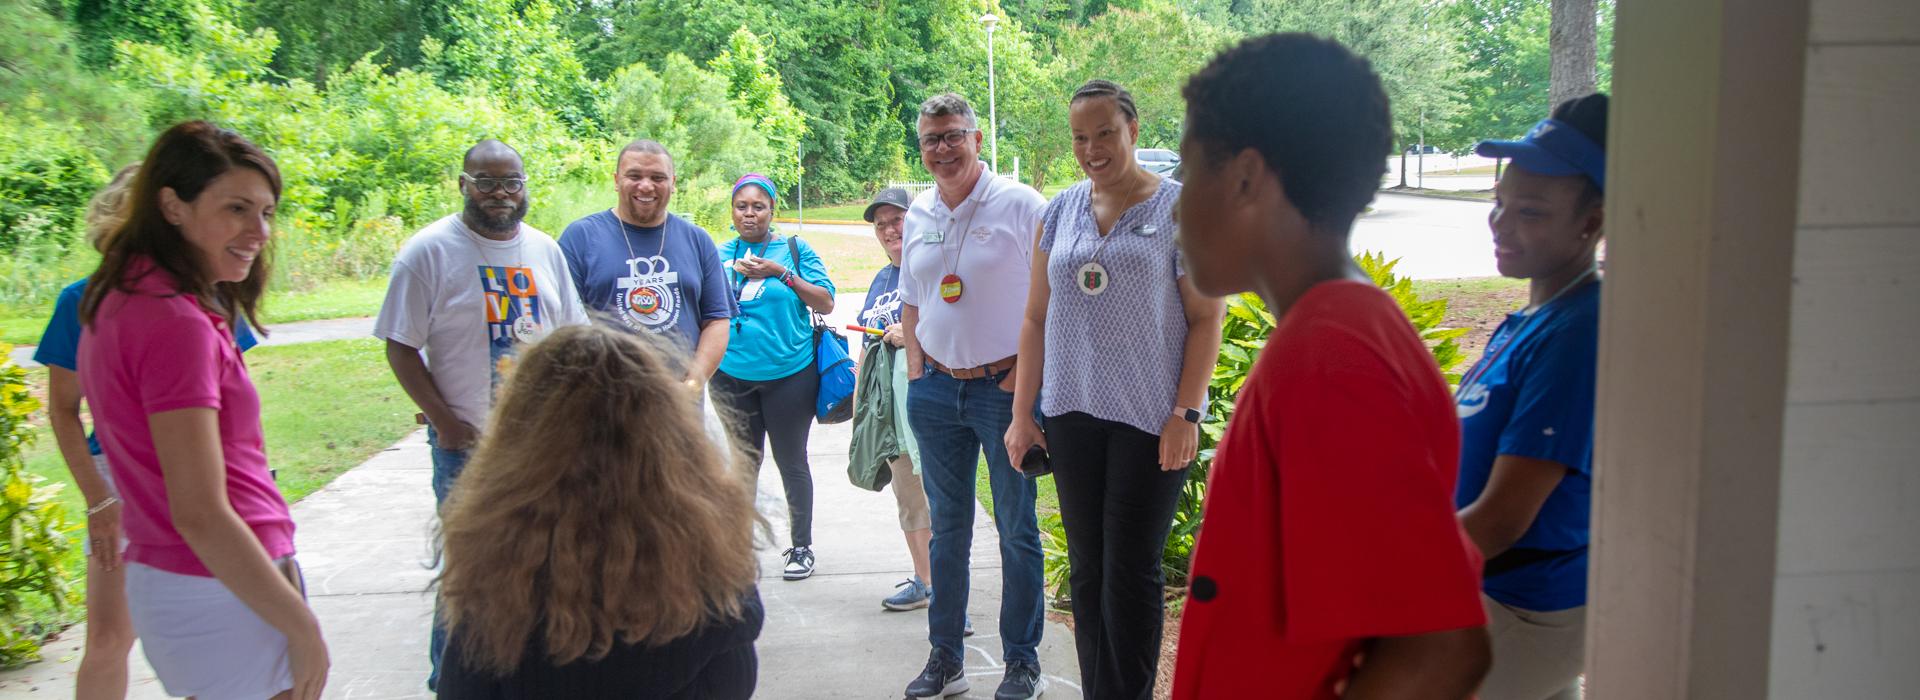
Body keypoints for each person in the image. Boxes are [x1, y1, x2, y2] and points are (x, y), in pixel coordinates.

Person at [1166, 34, 1491, 699]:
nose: (1175, 203)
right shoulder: (1342, 330)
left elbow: (1441, 650)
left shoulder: (1331, 359)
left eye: (1187, 169)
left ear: (1246, 177)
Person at [76, 120, 328, 700]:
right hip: (219, 584)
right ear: (172, 205)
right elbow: (199, 512)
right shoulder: (171, 320)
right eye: (236, 209)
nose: (258, 230)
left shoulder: (127, 296)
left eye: (266, 212)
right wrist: (301, 624)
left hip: (197, 579)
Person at [1003, 79, 1225, 700]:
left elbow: (1208, 318)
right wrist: (1024, 415)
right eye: (1079, 136)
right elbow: (1035, 318)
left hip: (1151, 419)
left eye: (1104, 132)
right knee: (1088, 570)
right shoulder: (1059, 211)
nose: (1092, 147)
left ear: (1132, 127)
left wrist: (1187, 411)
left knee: (1130, 571)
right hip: (1073, 413)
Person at [434, 323, 765, 699]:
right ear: (673, 441)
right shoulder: (714, 584)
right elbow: (734, 680)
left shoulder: (496, 581)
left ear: (519, 440)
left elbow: (461, 688)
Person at [372, 139, 589, 691]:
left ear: (525, 187)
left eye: (511, 182)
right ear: (463, 184)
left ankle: (525, 678)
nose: (500, 194)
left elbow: (571, 337)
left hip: (539, 445)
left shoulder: (545, 250)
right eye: (486, 182)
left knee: (545, 569)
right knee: (469, 576)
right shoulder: (427, 253)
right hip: (464, 448)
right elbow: (400, 346)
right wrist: (443, 420)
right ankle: (449, 682)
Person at [39, 163, 258, 700]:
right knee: (111, 638)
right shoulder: (83, 300)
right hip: (125, 480)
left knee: (219, 639)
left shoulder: (215, 295)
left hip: (208, 476)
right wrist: (98, 498)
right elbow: (63, 409)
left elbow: (236, 406)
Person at [1453, 93, 1610, 700]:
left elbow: (1502, 519)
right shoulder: (1529, 322)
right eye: (1499, 203)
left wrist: (1382, 573)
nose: (1501, 223)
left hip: (1526, 609)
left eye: (1532, 212)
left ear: (1591, 222)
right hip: (1493, 595)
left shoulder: (1578, 333)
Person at [898, 92, 1051, 700]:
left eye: (953, 136)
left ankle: (1021, 662)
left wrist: (1023, 386)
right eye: (931, 140)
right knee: (947, 530)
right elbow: (913, 299)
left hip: (1004, 390)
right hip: (935, 392)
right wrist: (916, 367)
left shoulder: (1020, 205)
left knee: (1016, 528)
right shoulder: (917, 212)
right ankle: (946, 658)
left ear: (977, 139)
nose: (942, 149)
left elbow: (1051, 302)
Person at [709, 173, 836, 580]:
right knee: (743, 464)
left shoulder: (794, 249)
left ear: (771, 210)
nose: (750, 213)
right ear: (732, 211)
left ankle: (801, 547)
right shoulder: (717, 253)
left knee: (790, 461)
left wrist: (781, 273)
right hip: (730, 376)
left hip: (790, 375)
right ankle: (737, 549)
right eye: (742, 206)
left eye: (758, 206)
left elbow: (827, 302)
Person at [558, 139, 734, 389]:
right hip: (602, 404)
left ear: (673, 184)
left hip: (679, 406)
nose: (646, 186)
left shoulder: (697, 240)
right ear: (616, 180)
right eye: (634, 176)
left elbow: (716, 320)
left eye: (658, 177)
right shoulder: (581, 238)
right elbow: (564, 324)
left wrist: (693, 384)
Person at [854, 187, 937, 611]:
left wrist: (915, 336)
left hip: (931, 404)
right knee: (907, 497)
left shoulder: (933, 268)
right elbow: (867, 339)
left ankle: (948, 592)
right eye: (881, 223)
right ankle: (925, 582)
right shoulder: (880, 280)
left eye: (896, 220)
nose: (889, 229)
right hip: (890, 412)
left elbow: (962, 325)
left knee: (939, 496)